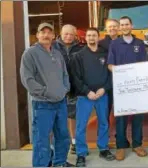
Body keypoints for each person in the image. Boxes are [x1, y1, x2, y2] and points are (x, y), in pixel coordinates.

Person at [20, 22, 74, 167]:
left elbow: (64, 74)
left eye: (49, 32)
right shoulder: (30, 53)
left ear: (53, 36)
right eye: (42, 32)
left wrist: (65, 89)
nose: (46, 35)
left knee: (63, 136)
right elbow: (28, 80)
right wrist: (46, 93)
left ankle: (60, 162)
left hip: (60, 102)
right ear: (37, 35)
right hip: (42, 104)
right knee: (41, 139)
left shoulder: (57, 54)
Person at [71, 27, 115, 167]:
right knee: (81, 125)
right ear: (86, 38)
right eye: (89, 35)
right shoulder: (79, 55)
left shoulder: (106, 54)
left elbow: (111, 75)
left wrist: (104, 88)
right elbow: (75, 78)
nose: (91, 38)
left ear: (98, 37)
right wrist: (86, 91)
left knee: (103, 122)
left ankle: (103, 149)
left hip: (102, 94)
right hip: (85, 96)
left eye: (94, 35)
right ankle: (81, 154)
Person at [107, 16, 148, 161]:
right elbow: (110, 65)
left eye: (127, 24)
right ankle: (121, 146)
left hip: (137, 87)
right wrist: (121, 74)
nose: (124, 27)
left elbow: (145, 65)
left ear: (132, 26)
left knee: (138, 117)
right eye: (122, 25)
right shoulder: (114, 44)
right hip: (121, 88)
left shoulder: (140, 43)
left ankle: (137, 144)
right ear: (120, 27)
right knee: (121, 119)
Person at [53, 24, 84, 155]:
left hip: (74, 88)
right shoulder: (52, 46)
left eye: (71, 34)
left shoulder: (81, 48)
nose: (68, 36)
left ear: (75, 35)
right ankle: (56, 145)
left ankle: (74, 142)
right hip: (56, 88)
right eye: (66, 33)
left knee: (73, 116)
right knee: (56, 117)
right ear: (60, 33)